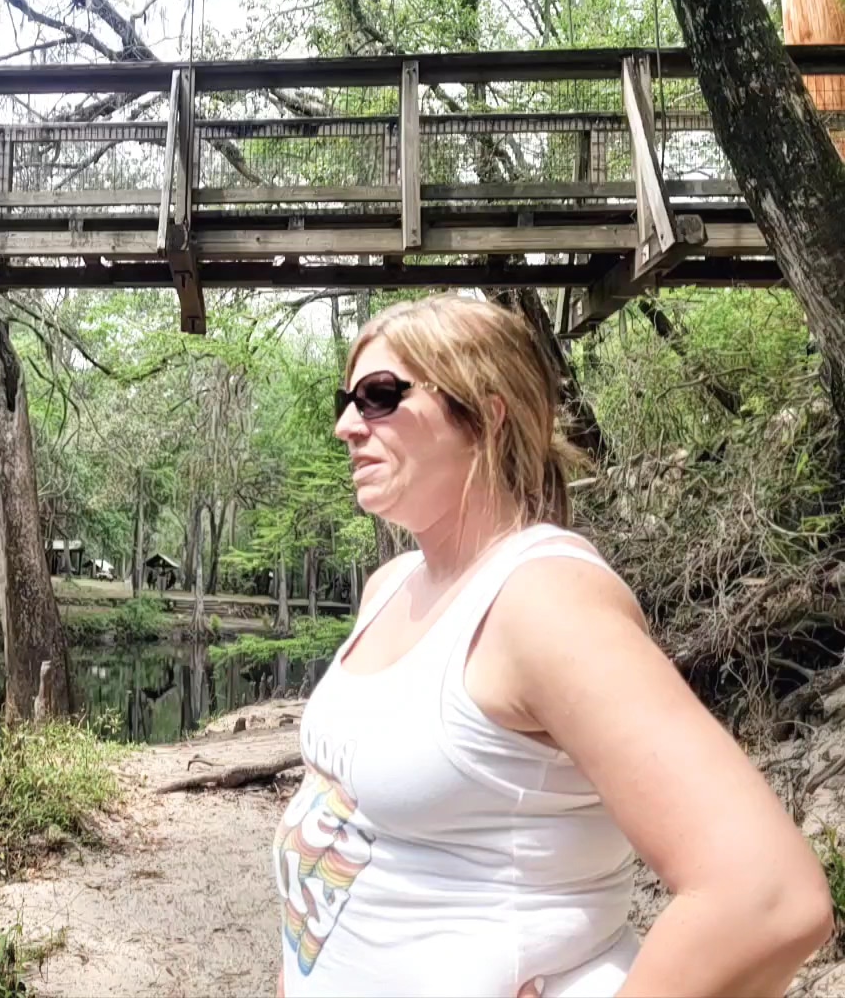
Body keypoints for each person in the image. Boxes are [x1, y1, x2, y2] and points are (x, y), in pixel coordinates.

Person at [274, 294, 832, 998]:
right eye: (346, 399)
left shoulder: (543, 602)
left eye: (379, 397)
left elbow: (767, 896)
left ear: (488, 412)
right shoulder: (390, 585)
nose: (346, 425)